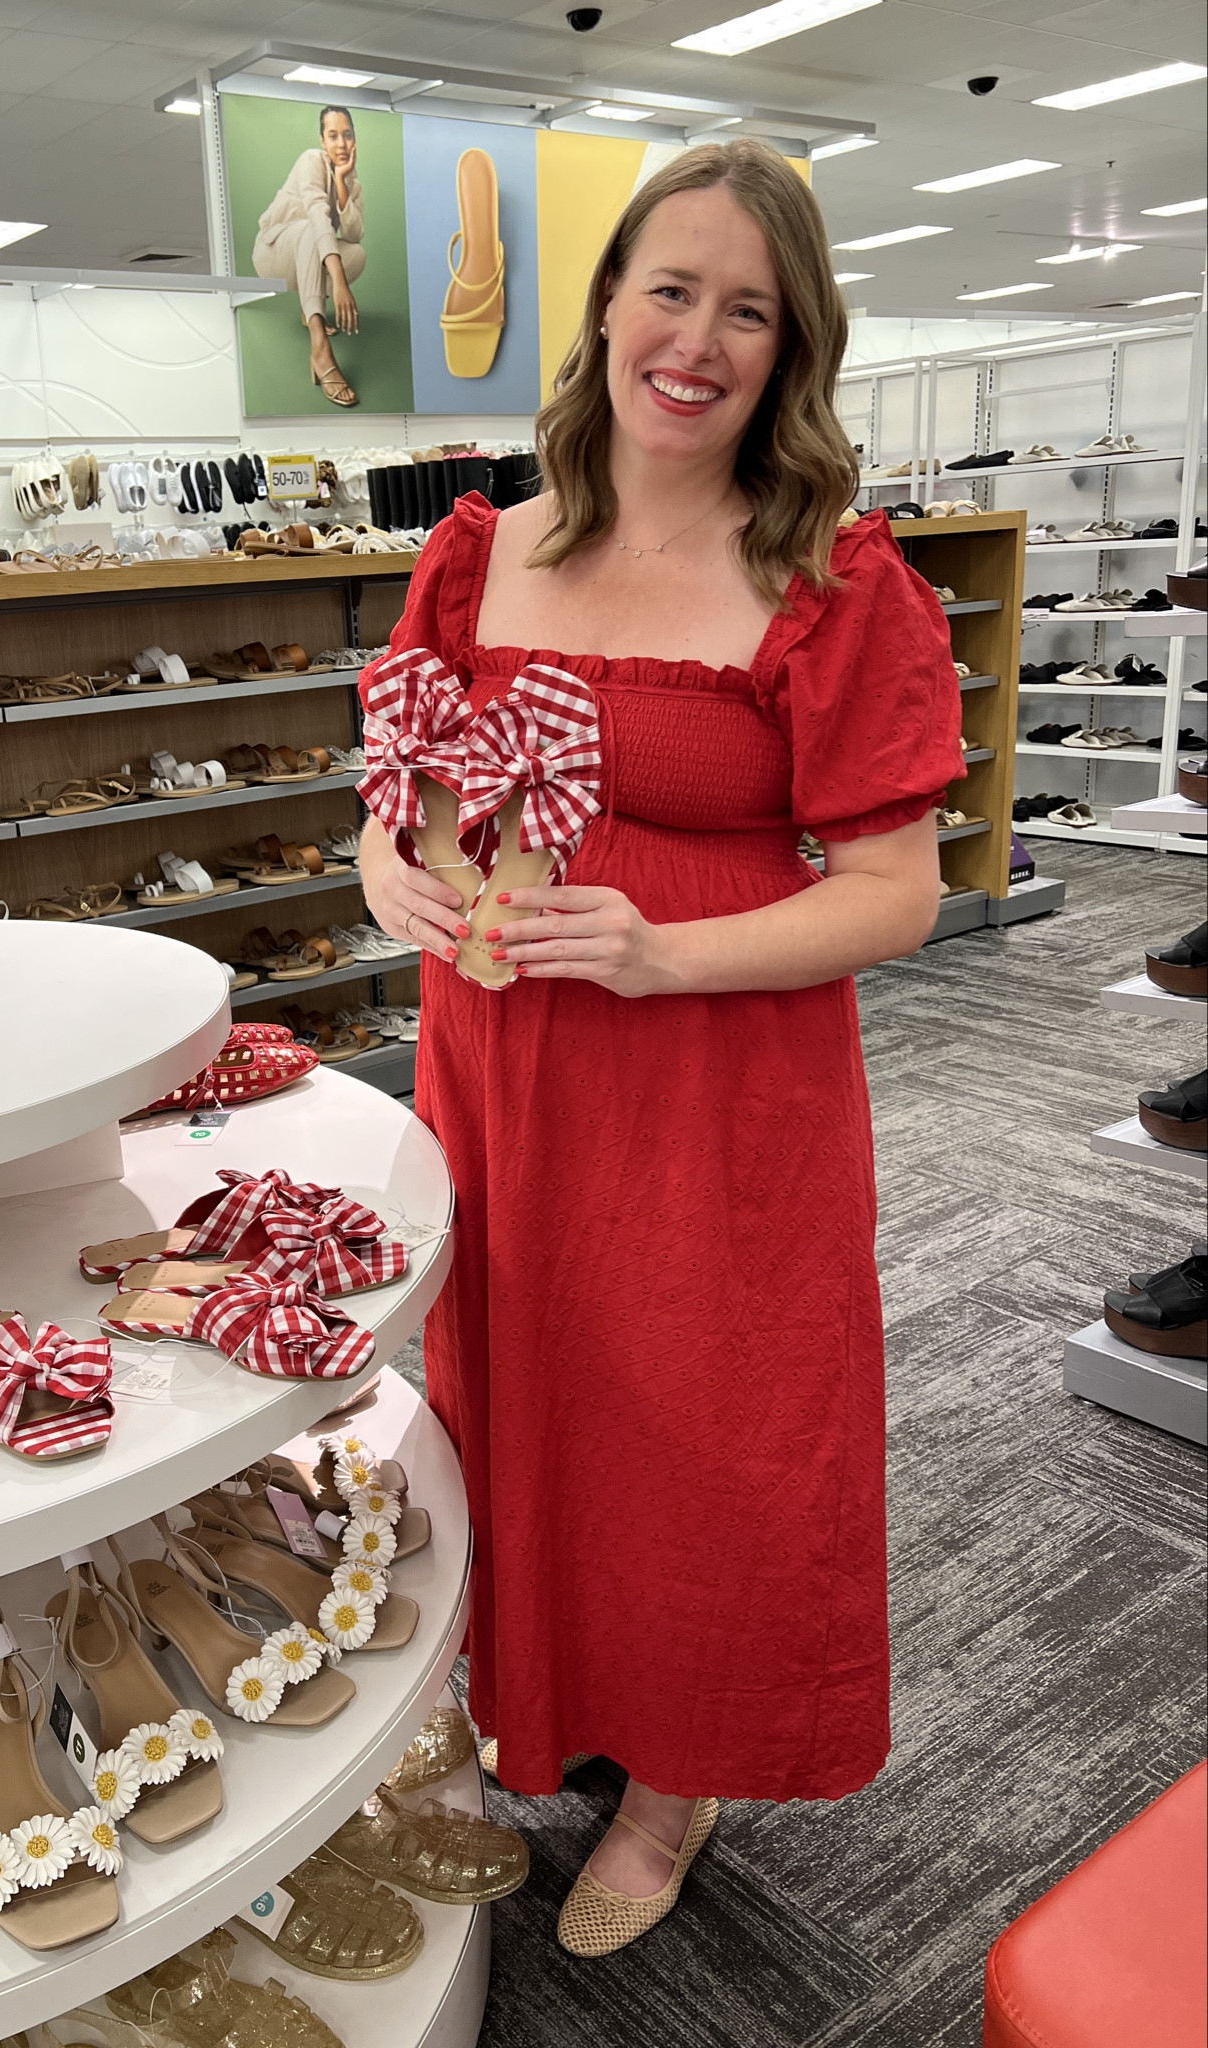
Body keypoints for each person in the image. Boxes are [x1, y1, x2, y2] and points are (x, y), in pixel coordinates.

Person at [358, 139, 963, 1958]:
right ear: (606, 304)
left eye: (746, 310)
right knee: (520, 1393)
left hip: (712, 1091)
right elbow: (410, 787)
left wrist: (659, 946)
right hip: (499, 1071)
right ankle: (525, 1699)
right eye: (668, 289)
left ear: (792, 351)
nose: (694, 339)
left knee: (702, 1422)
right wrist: (385, 860)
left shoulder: (833, 585)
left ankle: (676, 1772)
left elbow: (893, 893)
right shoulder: (479, 551)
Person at [252, 105, 365, 408]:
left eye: (347, 135)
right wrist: (339, 284)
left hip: (309, 253)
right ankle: (320, 347)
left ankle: (308, 306)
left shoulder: (352, 183)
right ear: (322, 141)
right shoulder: (310, 160)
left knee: (356, 254)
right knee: (309, 229)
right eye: (333, 136)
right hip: (274, 253)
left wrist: (341, 183)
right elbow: (318, 218)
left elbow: (354, 235)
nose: (341, 144)